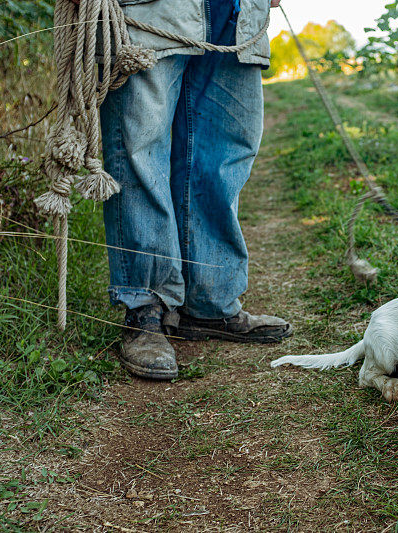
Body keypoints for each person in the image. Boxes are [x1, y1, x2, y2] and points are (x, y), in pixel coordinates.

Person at [96, 0, 291, 380]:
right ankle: (145, 309)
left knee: (222, 157)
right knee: (140, 154)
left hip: (237, 18)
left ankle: (209, 304)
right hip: (152, 13)